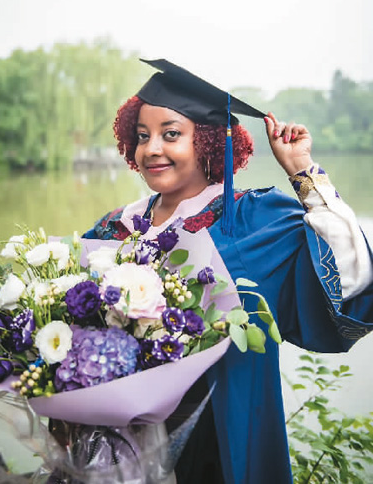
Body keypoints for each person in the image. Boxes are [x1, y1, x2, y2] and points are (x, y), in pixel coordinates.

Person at [83, 59, 373, 484]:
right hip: (121, 433)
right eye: (142, 137)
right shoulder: (116, 226)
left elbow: (353, 275)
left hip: (218, 427)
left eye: (170, 134)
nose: (151, 149)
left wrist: (301, 171)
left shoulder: (251, 219)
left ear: (206, 142)